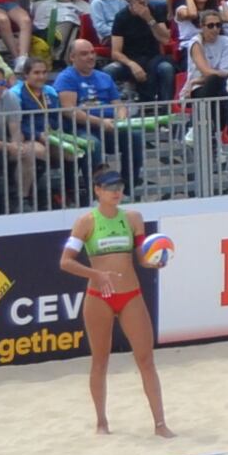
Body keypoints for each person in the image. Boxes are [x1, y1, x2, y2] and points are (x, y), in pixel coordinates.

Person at [59, 165, 169, 436]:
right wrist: (95, 274)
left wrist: (155, 260)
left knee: (146, 359)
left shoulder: (133, 218)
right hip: (100, 296)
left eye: (118, 187)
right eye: (109, 187)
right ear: (97, 190)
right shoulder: (86, 222)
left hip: (130, 294)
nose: (116, 192)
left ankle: (160, 424)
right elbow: (65, 262)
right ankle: (101, 422)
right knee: (100, 361)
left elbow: (142, 257)